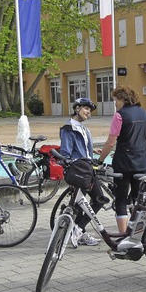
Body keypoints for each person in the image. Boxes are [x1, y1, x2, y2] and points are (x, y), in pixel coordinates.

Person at [97, 86, 146, 233]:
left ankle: (123, 234)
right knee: (137, 198)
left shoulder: (120, 115)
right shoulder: (145, 113)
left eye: (115, 100)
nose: (115, 103)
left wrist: (100, 160)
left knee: (121, 199)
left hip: (124, 163)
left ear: (122, 99)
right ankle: (137, 232)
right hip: (141, 161)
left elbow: (110, 142)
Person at [59, 97, 104, 247]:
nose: (88, 113)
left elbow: (82, 149)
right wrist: (70, 166)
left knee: (98, 199)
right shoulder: (68, 129)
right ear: (77, 108)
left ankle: (78, 230)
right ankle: (76, 231)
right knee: (82, 203)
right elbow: (66, 152)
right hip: (79, 171)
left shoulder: (84, 129)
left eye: (89, 111)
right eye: (85, 109)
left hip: (88, 169)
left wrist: (92, 151)